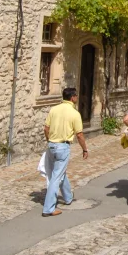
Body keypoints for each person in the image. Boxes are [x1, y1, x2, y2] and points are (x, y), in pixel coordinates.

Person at [42, 87, 88, 217]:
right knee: (56, 177)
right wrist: (84, 149)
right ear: (73, 97)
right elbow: (79, 135)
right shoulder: (74, 113)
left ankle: (68, 197)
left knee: (60, 172)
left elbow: (46, 128)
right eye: (76, 96)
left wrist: (49, 140)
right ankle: (48, 208)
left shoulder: (54, 109)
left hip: (51, 145)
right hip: (63, 146)